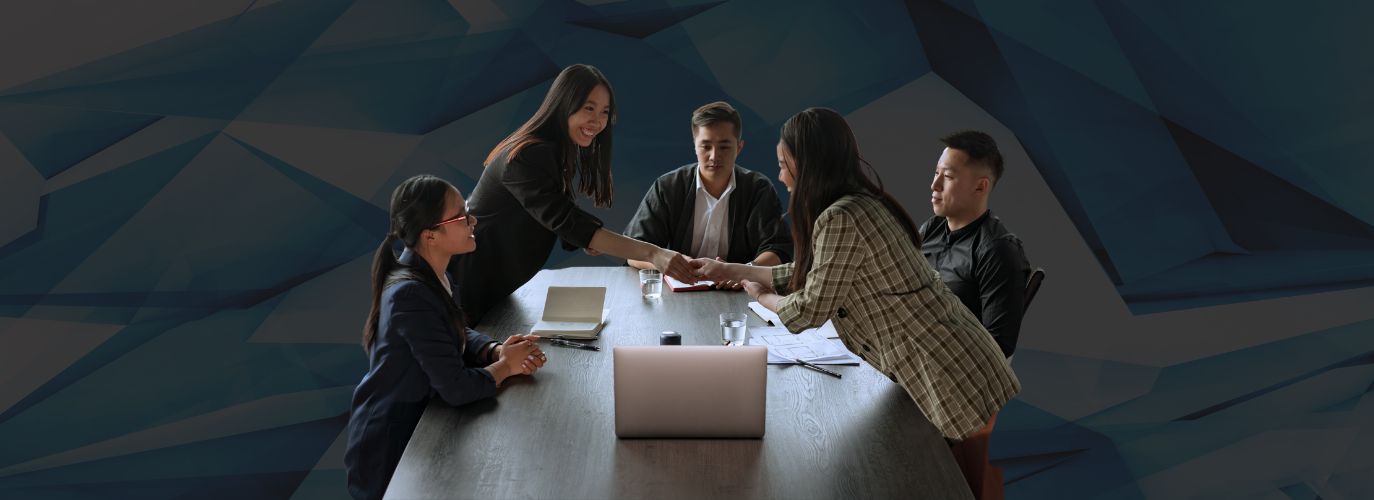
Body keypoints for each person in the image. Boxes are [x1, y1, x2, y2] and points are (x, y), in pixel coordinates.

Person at [691, 108, 1019, 500]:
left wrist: (761, 297)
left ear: (807, 164)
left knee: (935, 484)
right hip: (944, 368)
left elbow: (809, 309)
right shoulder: (859, 204)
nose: (780, 176)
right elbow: (816, 272)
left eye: (784, 164)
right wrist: (731, 269)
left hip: (950, 376)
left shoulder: (841, 217)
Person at [344, 175, 547, 500]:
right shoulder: (409, 293)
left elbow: (452, 331)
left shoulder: (436, 276)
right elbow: (456, 388)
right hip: (392, 446)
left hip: (420, 431)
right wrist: (507, 367)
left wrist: (495, 351)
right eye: (461, 216)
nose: (473, 221)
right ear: (430, 235)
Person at [452, 64, 695, 324]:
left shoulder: (553, 152)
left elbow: (566, 225)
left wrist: (589, 239)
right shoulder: (529, 155)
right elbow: (568, 222)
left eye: (604, 112)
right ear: (563, 103)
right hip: (464, 291)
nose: (598, 121)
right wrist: (654, 253)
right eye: (588, 108)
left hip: (490, 289)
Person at [622, 101, 791, 289]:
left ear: (739, 147)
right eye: (706, 146)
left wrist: (744, 271)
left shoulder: (758, 188)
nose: (714, 156)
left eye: (724, 147)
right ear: (695, 146)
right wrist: (669, 263)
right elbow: (633, 250)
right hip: (679, 294)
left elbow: (778, 250)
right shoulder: (668, 186)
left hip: (741, 293)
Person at [920, 131, 1031, 358]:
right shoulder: (930, 229)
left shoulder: (998, 250)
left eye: (948, 177)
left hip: (949, 372)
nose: (935, 185)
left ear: (980, 187)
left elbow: (998, 346)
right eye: (936, 173)